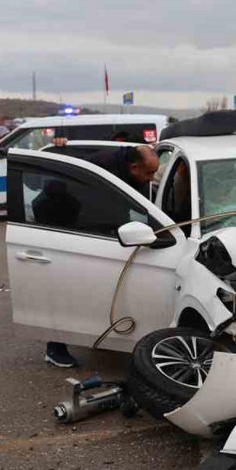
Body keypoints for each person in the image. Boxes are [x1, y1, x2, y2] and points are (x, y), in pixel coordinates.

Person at [43, 144, 161, 369]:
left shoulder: (124, 167)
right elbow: (101, 215)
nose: (151, 179)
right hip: (74, 233)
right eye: (149, 173)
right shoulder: (105, 173)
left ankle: (103, 335)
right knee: (74, 292)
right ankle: (55, 348)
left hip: (93, 230)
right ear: (134, 167)